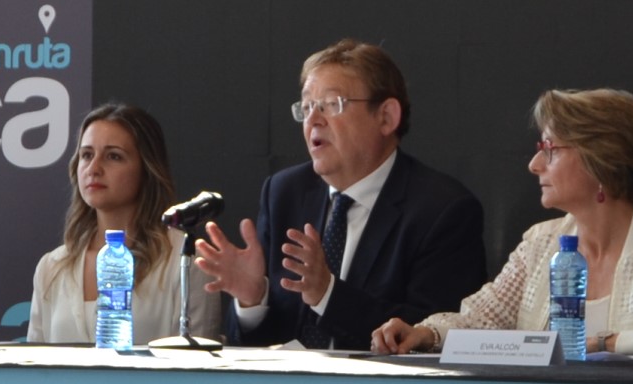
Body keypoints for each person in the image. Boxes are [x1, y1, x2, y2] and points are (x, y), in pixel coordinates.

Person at [373, 88, 633, 359]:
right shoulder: (541, 242)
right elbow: (482, 319)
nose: (534, 164)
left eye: (550, 149)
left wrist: (603, 343)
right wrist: (425, 333)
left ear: (601, 159)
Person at [195, 39, 486, 349]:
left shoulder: (443, 210)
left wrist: (328, 295)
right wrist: (254, 300)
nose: (313, 120)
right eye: (307, 107)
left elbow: (432, 334)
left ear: (386, 117)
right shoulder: (285, 193)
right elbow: (264, 343)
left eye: (332, 104)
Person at [27, 102, 220, 345]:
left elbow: (200, 362)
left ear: (146, 169)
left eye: (114, 156)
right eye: (87, 155)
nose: (94, 168)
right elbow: (33, 361)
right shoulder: (52, 267)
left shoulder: (186, 259)